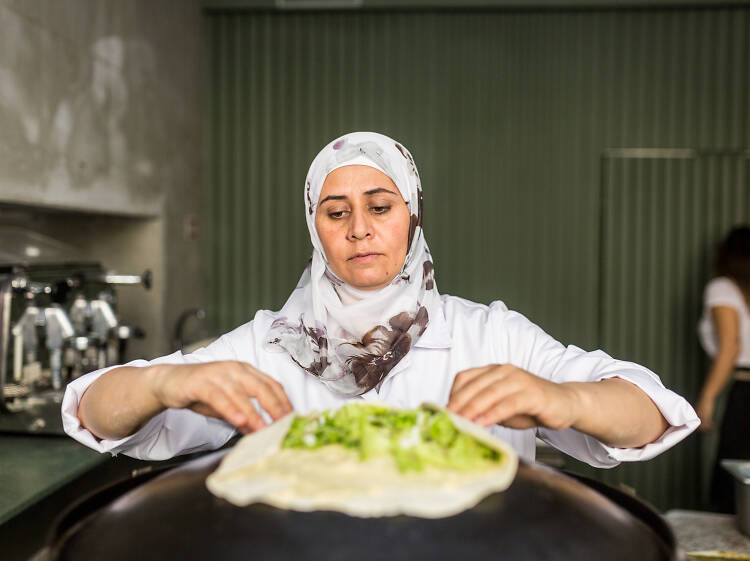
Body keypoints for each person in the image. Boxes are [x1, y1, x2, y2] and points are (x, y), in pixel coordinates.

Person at [63, 131, 699, 466]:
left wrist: (561, 398)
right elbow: (92, 413)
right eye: (336, 212)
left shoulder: (489, 337)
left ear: (413, 217)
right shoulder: (267, 347)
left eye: (380, 207)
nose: (359, 229)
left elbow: (653, 415)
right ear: (316, 228)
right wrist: (159, 386)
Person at [697, 226, 750, 512]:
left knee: (734, 490)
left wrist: (707, 398)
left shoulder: (722, 288)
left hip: (745, 393)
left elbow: (730, 347)